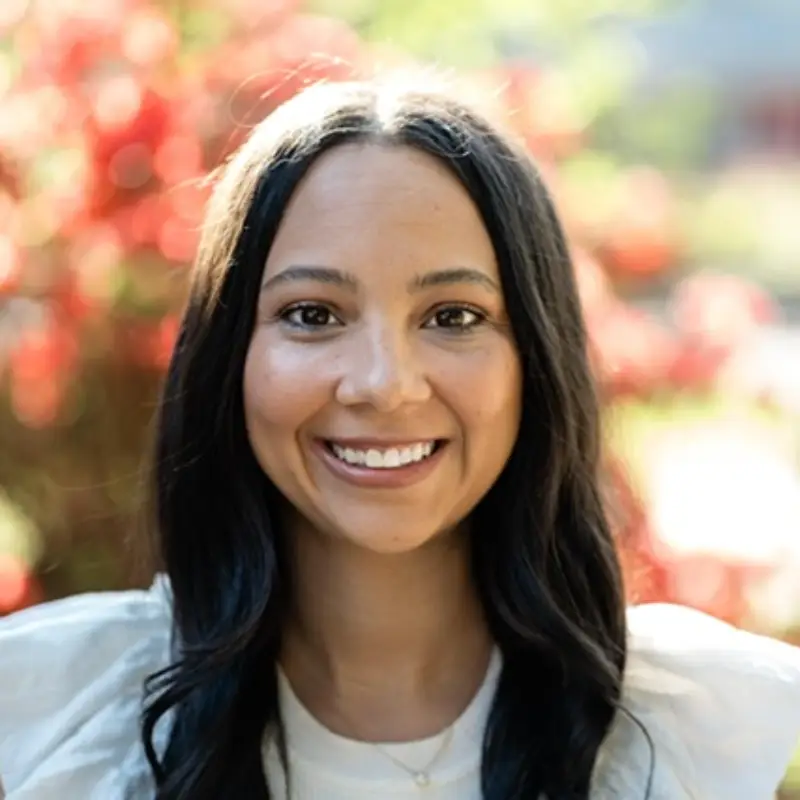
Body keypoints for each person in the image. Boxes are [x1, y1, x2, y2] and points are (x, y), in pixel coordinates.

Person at [0, 75, 799, 800]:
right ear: (229, 355)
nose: (384, 384)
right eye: (313, 315)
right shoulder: (57, 719)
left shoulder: (693, 734)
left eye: (453, 316)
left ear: (536, 356)